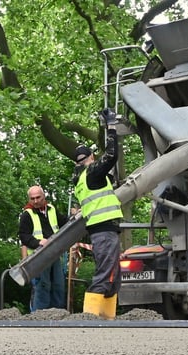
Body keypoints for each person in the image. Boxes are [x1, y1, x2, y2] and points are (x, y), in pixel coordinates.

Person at [72, 108, 124, 319]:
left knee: (113, 276)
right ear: (92, 157)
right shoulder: (92, 172)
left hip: (102, 229)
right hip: (104, 228)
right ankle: (89, 318)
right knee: (106, 274)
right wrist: (110, 127)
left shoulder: (81, 179)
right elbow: (111, 155)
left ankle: (106, 318)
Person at [18, 185, 68, 311]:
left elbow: (65, 224)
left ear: (44, 196)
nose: (35, 201)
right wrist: (39, 242)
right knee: (42, 286)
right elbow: (24, 236)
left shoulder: (52, 209)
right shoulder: (26, 215)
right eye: (32, 198)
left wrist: (75, 216)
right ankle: (38, 316)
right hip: (37, 257)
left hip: (54, 254)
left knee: (58, 285)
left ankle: (57, 314)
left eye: (38, 197)